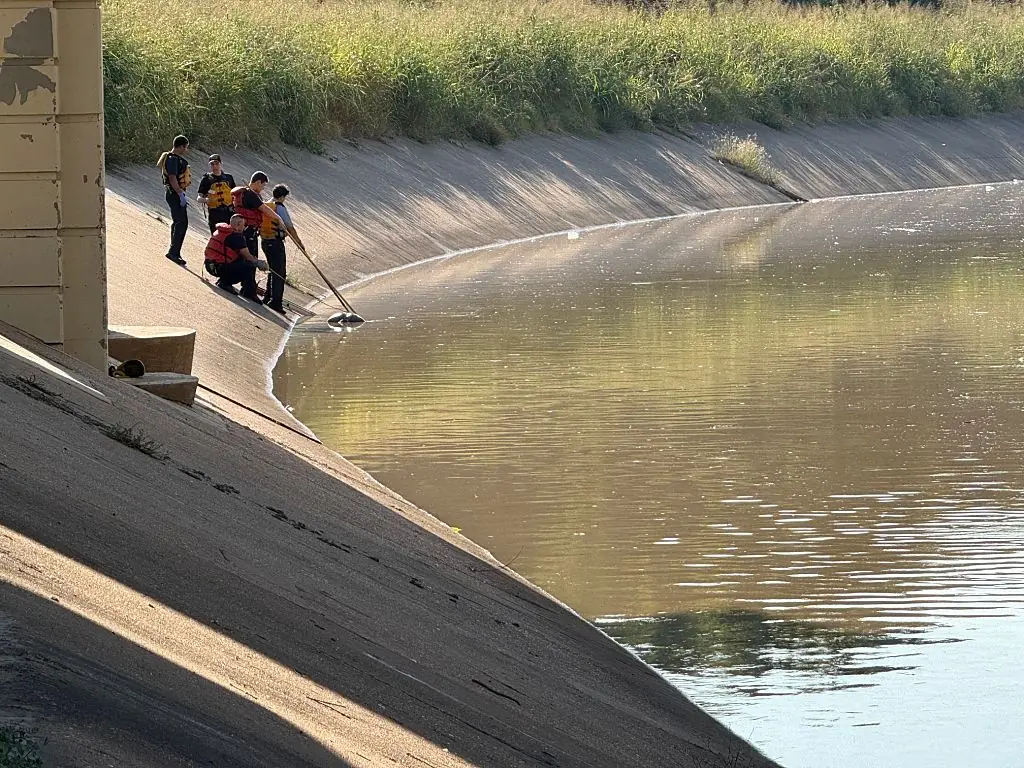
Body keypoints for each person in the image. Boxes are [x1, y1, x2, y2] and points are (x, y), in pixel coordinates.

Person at [259, 184, 306, 315]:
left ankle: (268, 296)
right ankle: (276, 303)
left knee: (272, 269)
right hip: (275, 243)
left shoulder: (266, 205)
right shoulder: (279, 208)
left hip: (265, 241)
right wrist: (299, 243)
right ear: (282, 196)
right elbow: (290, 227)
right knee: (279, 273)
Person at [203, 214, 268, 300]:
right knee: (248, 265)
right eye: (244, 225)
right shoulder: (236, 237)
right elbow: (248, 257)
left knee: (240, 259)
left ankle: (224, 280)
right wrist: (259, 263)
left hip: (209, 265)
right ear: (237, 225)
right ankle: (229, 284)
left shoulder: (222, 231)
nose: (245, 227)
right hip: (218, 268)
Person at [231, 171, 284, 260]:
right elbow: (265, 209)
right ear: (258, 182)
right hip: (248, 232)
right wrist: (278, 218)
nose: (263, 188)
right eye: (263, 185)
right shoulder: (251, 195)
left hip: (240, 231)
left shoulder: (243, 193)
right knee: (251, 259)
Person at [156, 135, 191, 265]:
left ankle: (174, 251)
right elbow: (172, 177)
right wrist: (179, 192)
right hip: (174, 193)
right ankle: (173, 252)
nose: (185, 150)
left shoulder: (172, 158)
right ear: (181, 146)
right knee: (182, 222)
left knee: (178, 222)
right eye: (185, 147)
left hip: (173, 193)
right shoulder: (172, 159)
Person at [195, 154, 236, 233]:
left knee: (230, 236)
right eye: (212, 164)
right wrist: (206, 200)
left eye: (217, 163)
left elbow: (235, 195)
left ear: (221, 164)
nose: (214, 166)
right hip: (215, 213)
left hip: (229, 212)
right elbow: (199, 198)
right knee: (216, 237)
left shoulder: (229, 178)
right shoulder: (206, 179)